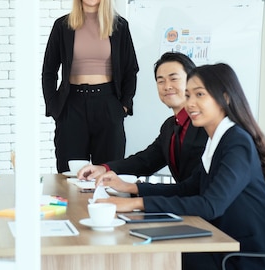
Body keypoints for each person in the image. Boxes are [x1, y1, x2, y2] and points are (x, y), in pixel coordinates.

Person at [95, 63, 265, 270]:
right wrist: (131, 188)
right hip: (222, 242)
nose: (190, 103)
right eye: (188, 96)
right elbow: (186, 188)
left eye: (199, 95)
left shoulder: (236, 142)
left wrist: (136, 204)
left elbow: (211, 206)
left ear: (226, 98)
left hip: (247, 255)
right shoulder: (217, 140)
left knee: (152, 257)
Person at [42, 0, 139, 173]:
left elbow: (131, 70)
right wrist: (55, 108)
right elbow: (49, 71)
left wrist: (122, 107)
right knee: (70, 176)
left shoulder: (119, 26)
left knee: (108, 174)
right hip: (71, 105)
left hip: (108, 104)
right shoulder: (62, 26)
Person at [77, 51, 208, 183]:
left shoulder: (207, 124)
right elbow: (146, 161)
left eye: (174, 79)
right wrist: (104, 168)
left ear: (192, 81)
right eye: (160, 81)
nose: (167, 86)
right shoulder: (170, 126)